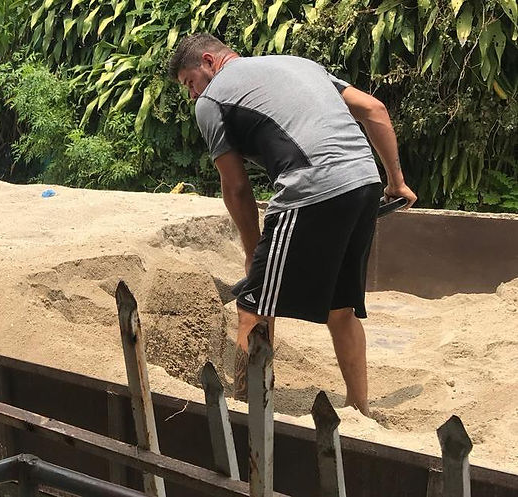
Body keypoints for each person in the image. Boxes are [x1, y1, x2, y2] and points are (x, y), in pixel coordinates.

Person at [167, 34, 417, 415]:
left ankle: (246, 409)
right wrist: (395, 181)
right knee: (341, 308)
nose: (191, 95)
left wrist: (254, 257)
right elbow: (375, 110)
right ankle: (359, 409)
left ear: (208, 62)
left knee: (254, 305)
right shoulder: (299, 63)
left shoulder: (211, 99)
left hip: (311, 187)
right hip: (364, 181)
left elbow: (236, 188)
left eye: (188, 83)